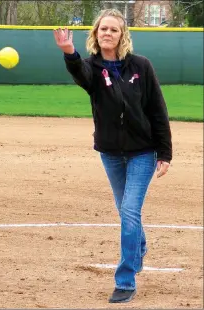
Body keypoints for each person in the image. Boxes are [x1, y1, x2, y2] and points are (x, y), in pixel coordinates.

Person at [53, 8, 172, 304]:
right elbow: (80, 74)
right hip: (110, 153)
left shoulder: (141, 67)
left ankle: (126, 280)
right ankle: (139, 246)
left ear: (122, 36)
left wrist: (165, 152)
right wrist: (69, 53)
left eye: (113, 30)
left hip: (142, 152)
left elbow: (157, 110)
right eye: (102, 29)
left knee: (130, 212)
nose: (107, 33)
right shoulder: (92, 68)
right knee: (125, 211)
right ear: (95, 34)